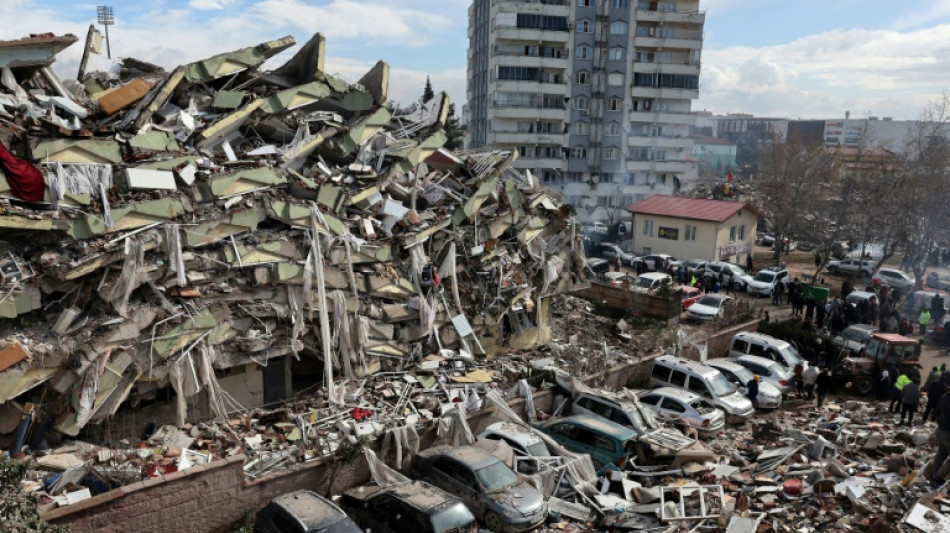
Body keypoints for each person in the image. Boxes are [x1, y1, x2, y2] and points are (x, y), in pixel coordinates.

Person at [931, 390, 950, 484]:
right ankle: (939, 476)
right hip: (948, 432)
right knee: (941, 454)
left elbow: (936, 411)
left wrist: (939, 422)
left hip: (941, 429)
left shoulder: (944, 396)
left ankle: (935, 475)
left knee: (941, 454)